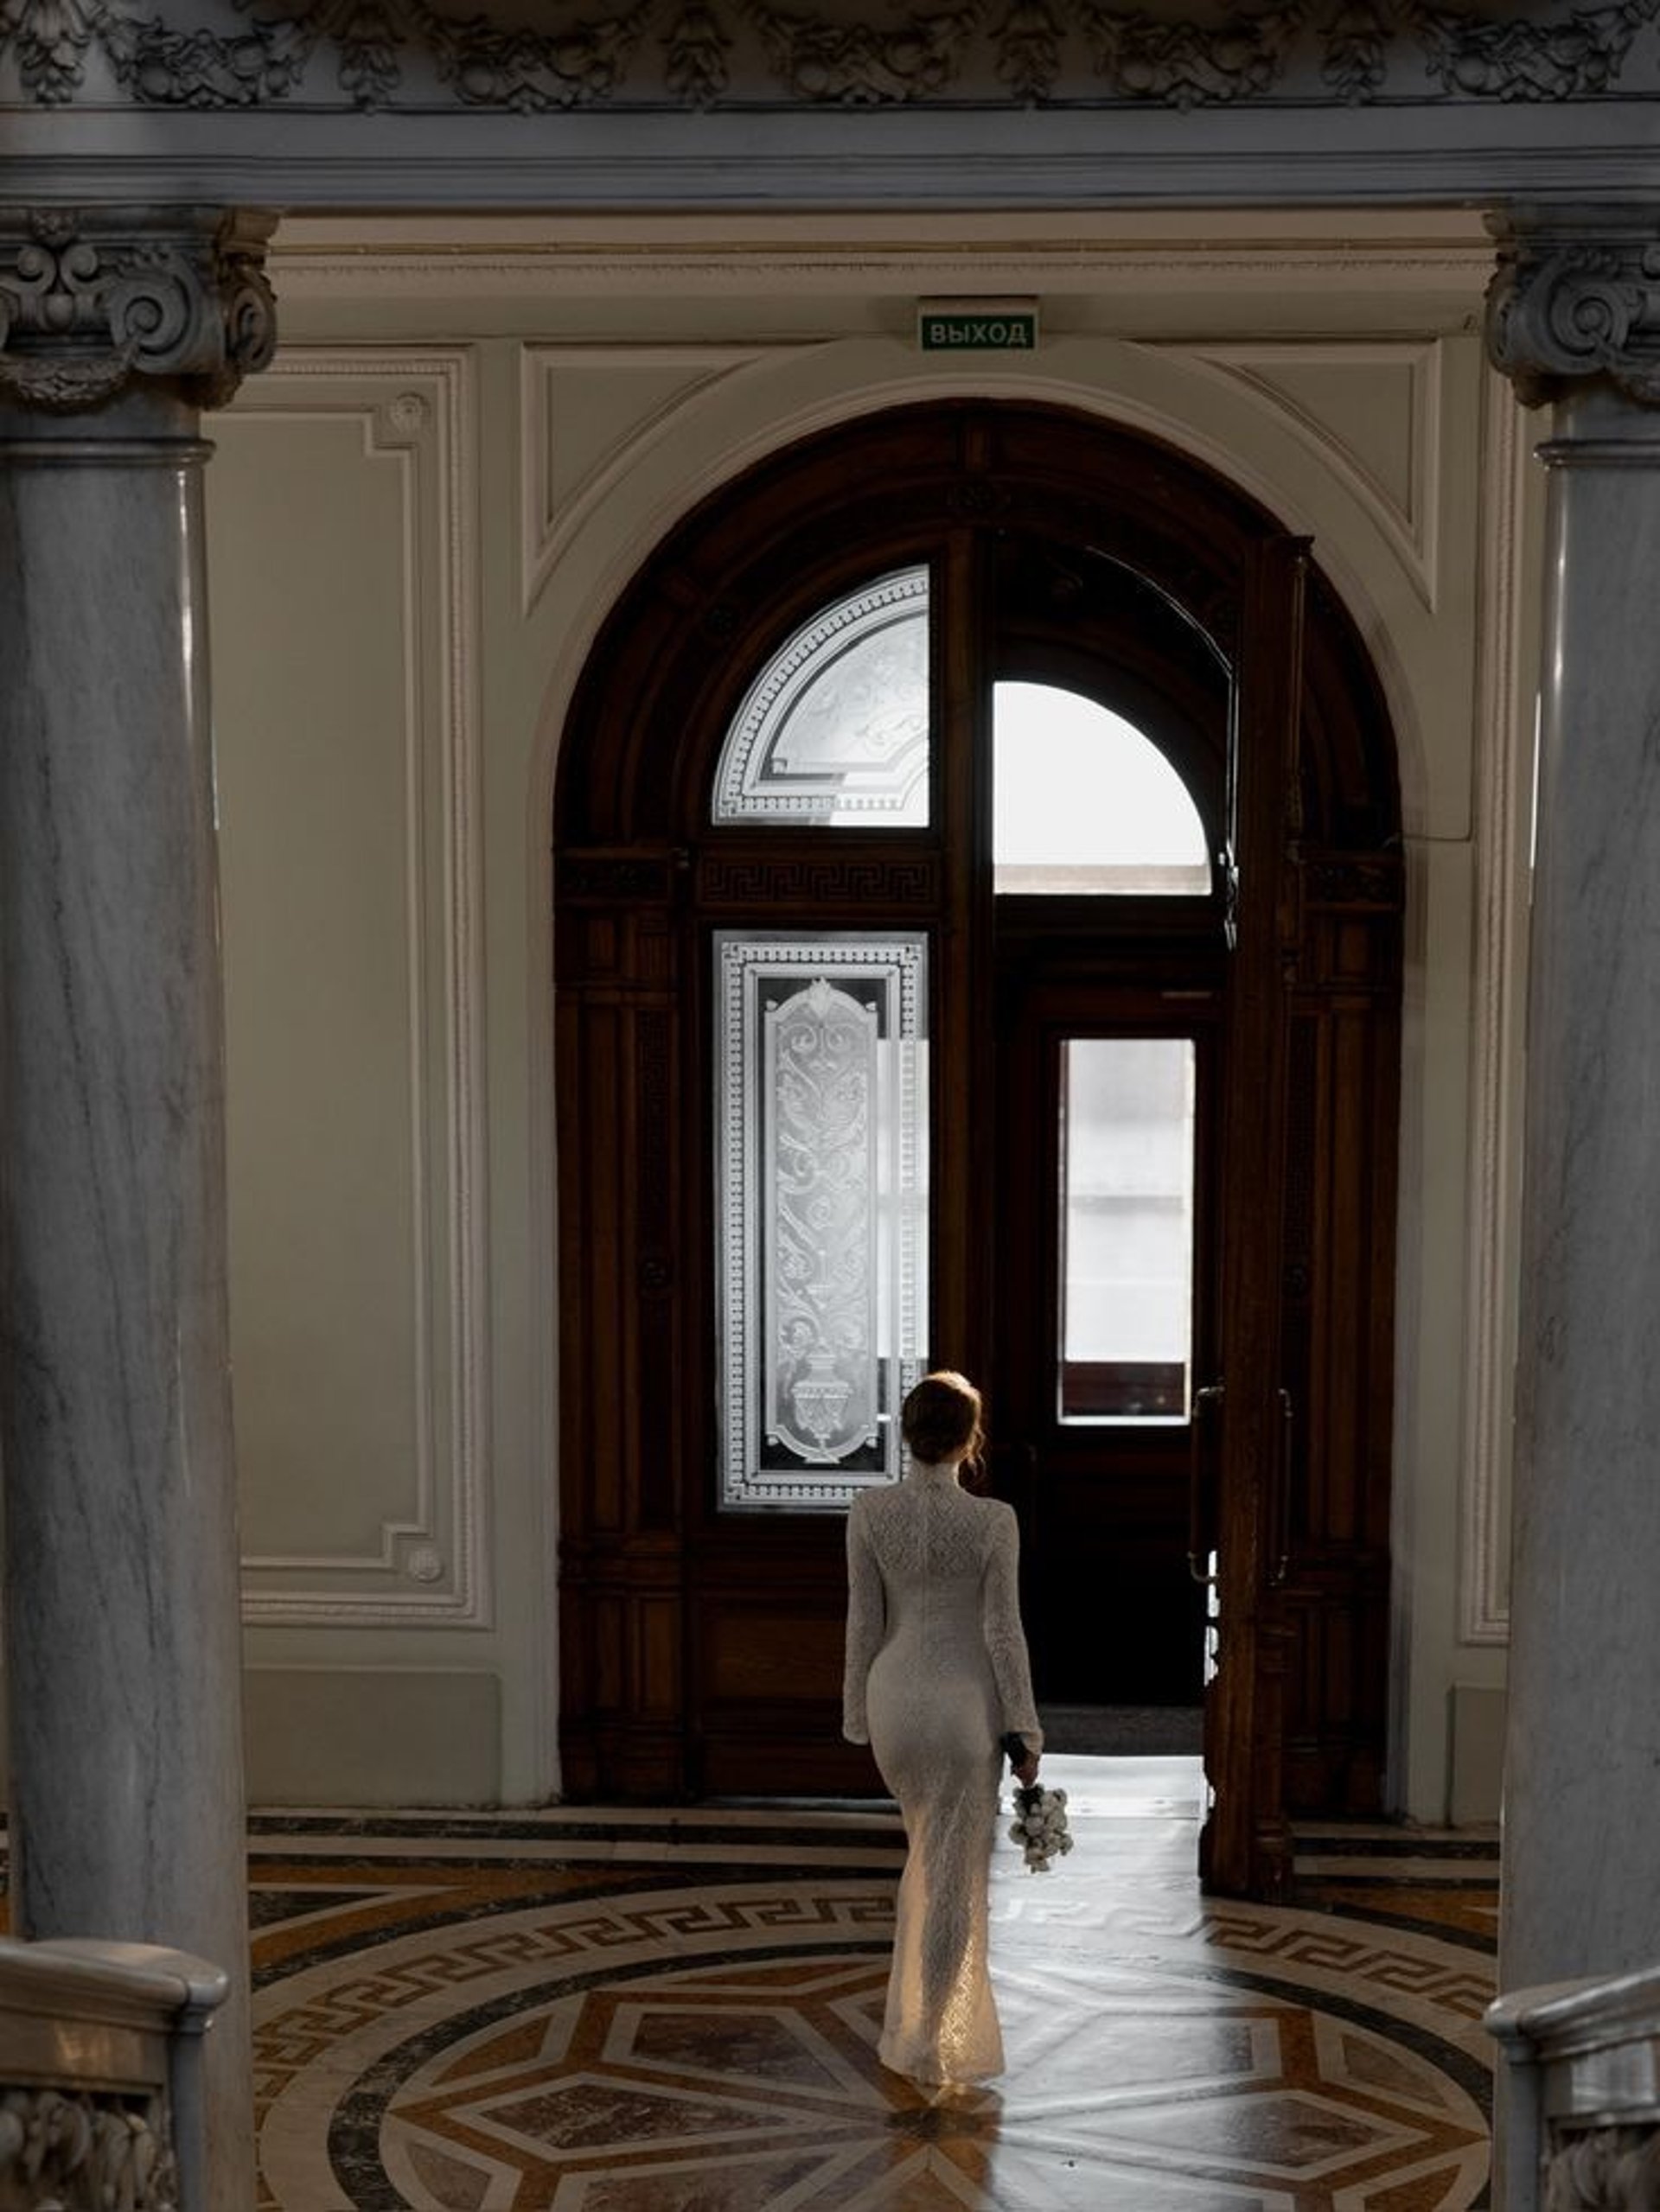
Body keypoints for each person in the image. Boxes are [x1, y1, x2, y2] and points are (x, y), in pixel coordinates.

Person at [842, 1369, 1043, 2088]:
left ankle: (919, 2023)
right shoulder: (994, 1521)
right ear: (969, 1440)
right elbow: (1002, 1631)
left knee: (925, 1855)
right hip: (964, 1711)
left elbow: (865, 1619)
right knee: (952, 1874)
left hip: (894, 1701)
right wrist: (1024, 1726)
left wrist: (855, 1714)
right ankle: (930, 2034)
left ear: (907, 1433)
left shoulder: (868, 1511)